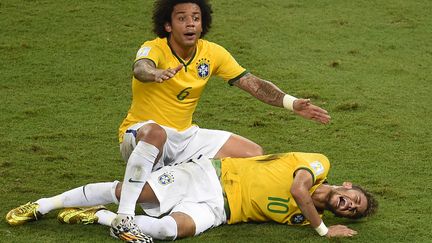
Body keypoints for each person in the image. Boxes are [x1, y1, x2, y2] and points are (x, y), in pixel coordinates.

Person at [115, 0, 331, 240]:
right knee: (157, 132)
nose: (190, 24)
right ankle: (124, 218)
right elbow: (141, 68)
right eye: (182, 18)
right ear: (167, 25)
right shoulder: (154, 48)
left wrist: (291, 103)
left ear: (202, 23)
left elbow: (252, 83)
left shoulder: (212, 53)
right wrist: (155, 73)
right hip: (141, 135)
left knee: (253, 154)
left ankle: (199, 192)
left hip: (185, 135)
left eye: (196, 18)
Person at [6, 152, 378, 243]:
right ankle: (45, 204)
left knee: (169, 231)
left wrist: (318, 222)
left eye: (353, 211)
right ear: (346, 185)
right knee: (133, 192)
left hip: (219, 209)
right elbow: (299, 191)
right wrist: (325, 231)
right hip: (208, 175)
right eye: (353, 198)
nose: (348, 205)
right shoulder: (318, 165)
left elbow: (300, 207)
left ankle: (95, 216)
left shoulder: (303, 217)